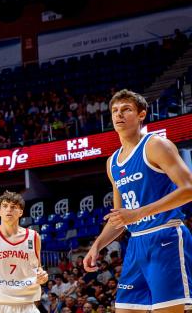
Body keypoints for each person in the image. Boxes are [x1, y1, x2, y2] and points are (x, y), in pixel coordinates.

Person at [82, 89, 192, 313]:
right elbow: (119, 217)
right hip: (136, 244)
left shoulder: (156, 145)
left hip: (166, 236)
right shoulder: (112, 162)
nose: (118, 115)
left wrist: (139, 213)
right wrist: (97, 245)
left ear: (142, 114)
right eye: (114, 111)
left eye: (126, 109)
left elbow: (188, 189)